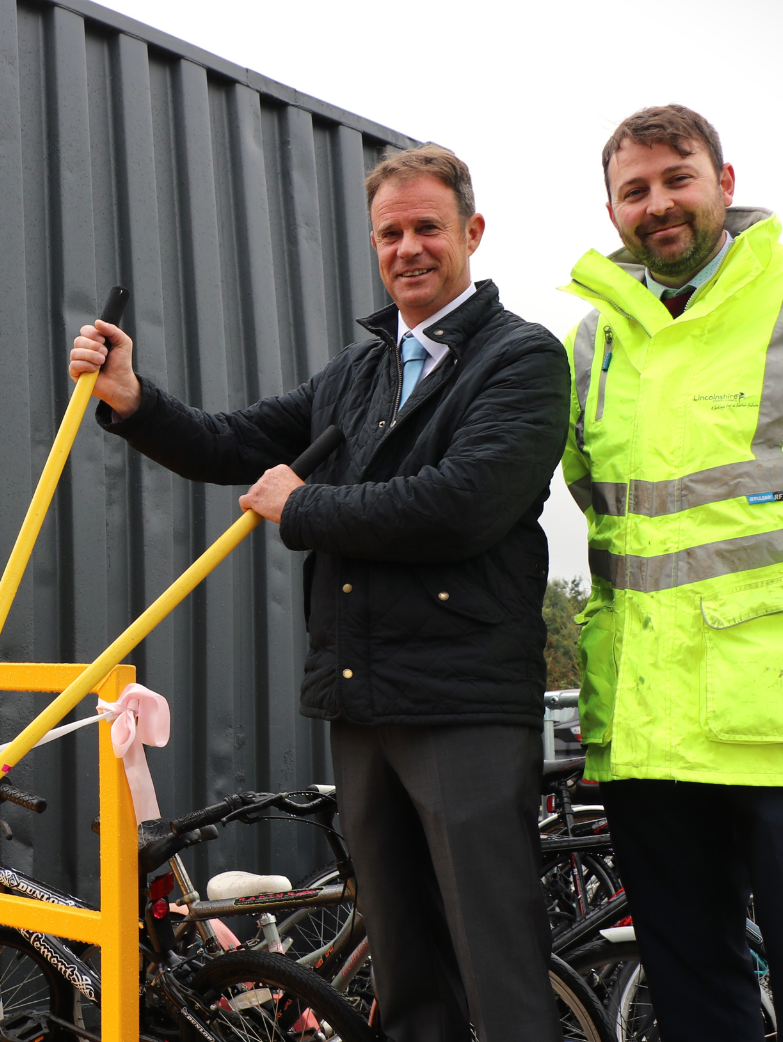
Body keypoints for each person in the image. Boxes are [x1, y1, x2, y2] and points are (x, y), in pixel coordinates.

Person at [70, 145, 570, 1042]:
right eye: (390, 233)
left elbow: (460, 507)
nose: (408, 247)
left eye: (427, 227)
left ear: (472, 232)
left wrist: (303, 506)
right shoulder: (359, 370)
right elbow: (233, 442)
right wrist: (134, 398)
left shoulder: (522, 359)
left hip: (463, 705)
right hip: (363, 698)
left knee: (495, 966)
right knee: (407, 965)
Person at [562, 104, 783, 1041]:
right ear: (614, 210)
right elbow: (611, 520)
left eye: (678, 179)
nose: (658, 204)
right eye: (635, 190)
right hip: (648, 726)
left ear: (725, 184)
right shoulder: (592, 346)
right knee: (696, 996)